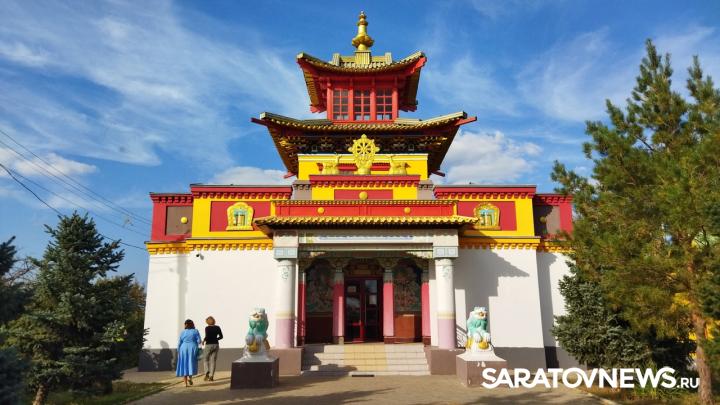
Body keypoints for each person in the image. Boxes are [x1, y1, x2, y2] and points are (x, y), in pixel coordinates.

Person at [176, 319, 201, 387]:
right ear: (192, 324)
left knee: (184, 364)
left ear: (186, 325)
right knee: (190, 363)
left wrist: (178, 350)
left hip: (183, 348)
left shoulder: (182, 332)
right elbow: (199, 341)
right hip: (192, 348)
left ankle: (185, 383)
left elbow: (179, 342)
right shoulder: (195, 331)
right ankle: (190, 378)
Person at [202, 316, 223, 381]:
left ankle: (207, 372)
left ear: (207, 322)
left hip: (208, 344)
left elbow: (207, 336)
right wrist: (216, 339)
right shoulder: (217, 327)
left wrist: (203, 340)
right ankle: (211, 376)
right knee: (213, 361)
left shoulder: (207, 328)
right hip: (216, 344)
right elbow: (221, 336)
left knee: (205, 359)